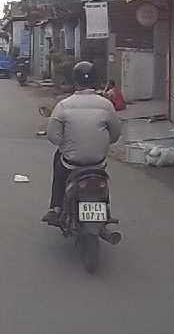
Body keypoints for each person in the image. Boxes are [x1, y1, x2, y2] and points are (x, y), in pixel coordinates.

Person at [44, 61, 122, 225]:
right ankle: (106, 208)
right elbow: (115, 134)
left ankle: (56, 207)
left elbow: (52, 136)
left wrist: (64, 144)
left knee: (58, 162)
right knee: (102, 178)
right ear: (94, 80)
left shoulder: (63, 105)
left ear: (75, 81)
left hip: (71, 163)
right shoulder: (106, 105)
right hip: (97, 162)